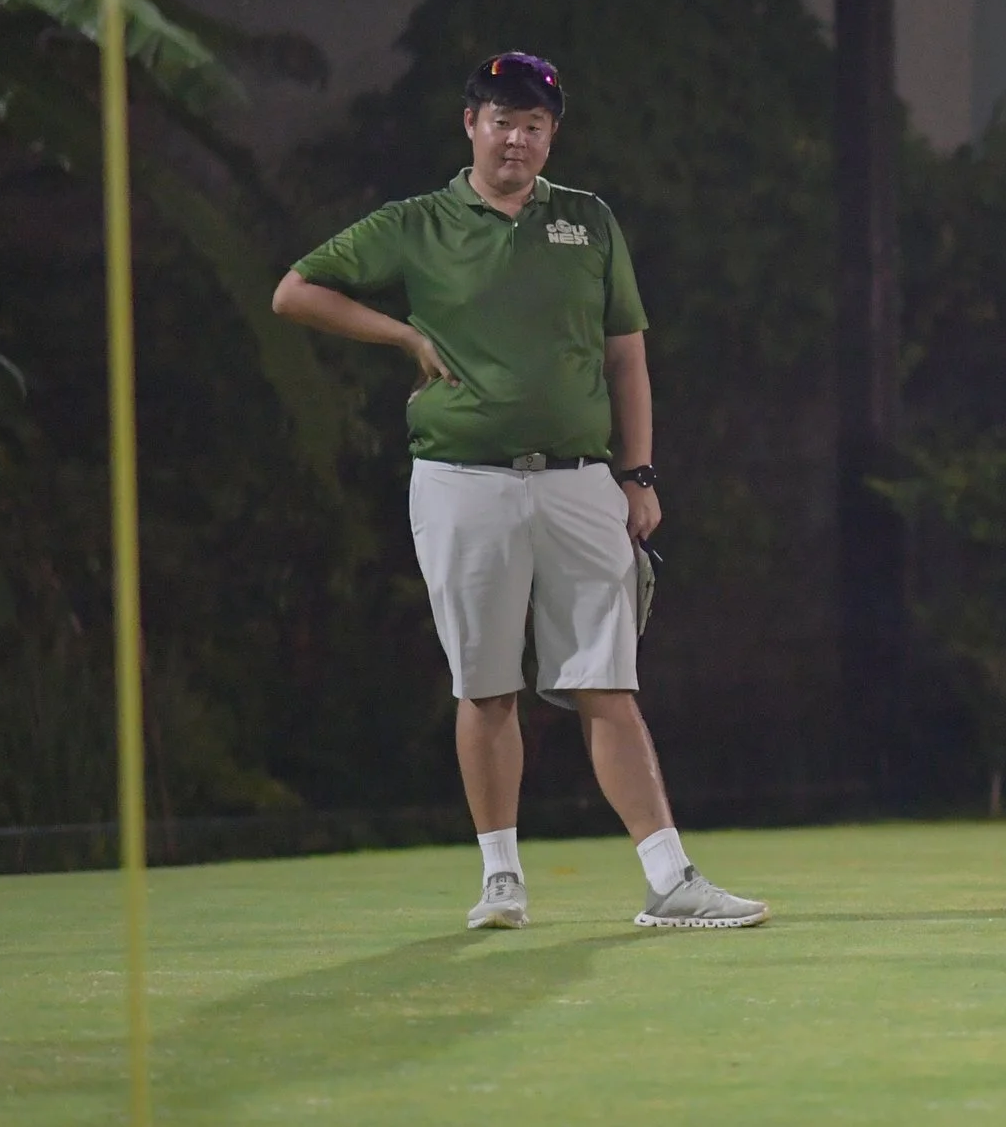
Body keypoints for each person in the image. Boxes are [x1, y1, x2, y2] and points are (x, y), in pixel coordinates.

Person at [271, 52, 766, 931]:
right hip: (464, 480)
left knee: (608, 680)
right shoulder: (418, 222)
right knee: (486, 686)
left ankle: (669, 878)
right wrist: (399, 335)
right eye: (502, 118)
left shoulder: (588, 221)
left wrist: (639, 472)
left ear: (551, 134)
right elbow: (294, 290)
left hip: (580, 480)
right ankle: (501, 877)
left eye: (534, 123)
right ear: (471, 124)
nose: (517, 136)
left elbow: (626, 353)